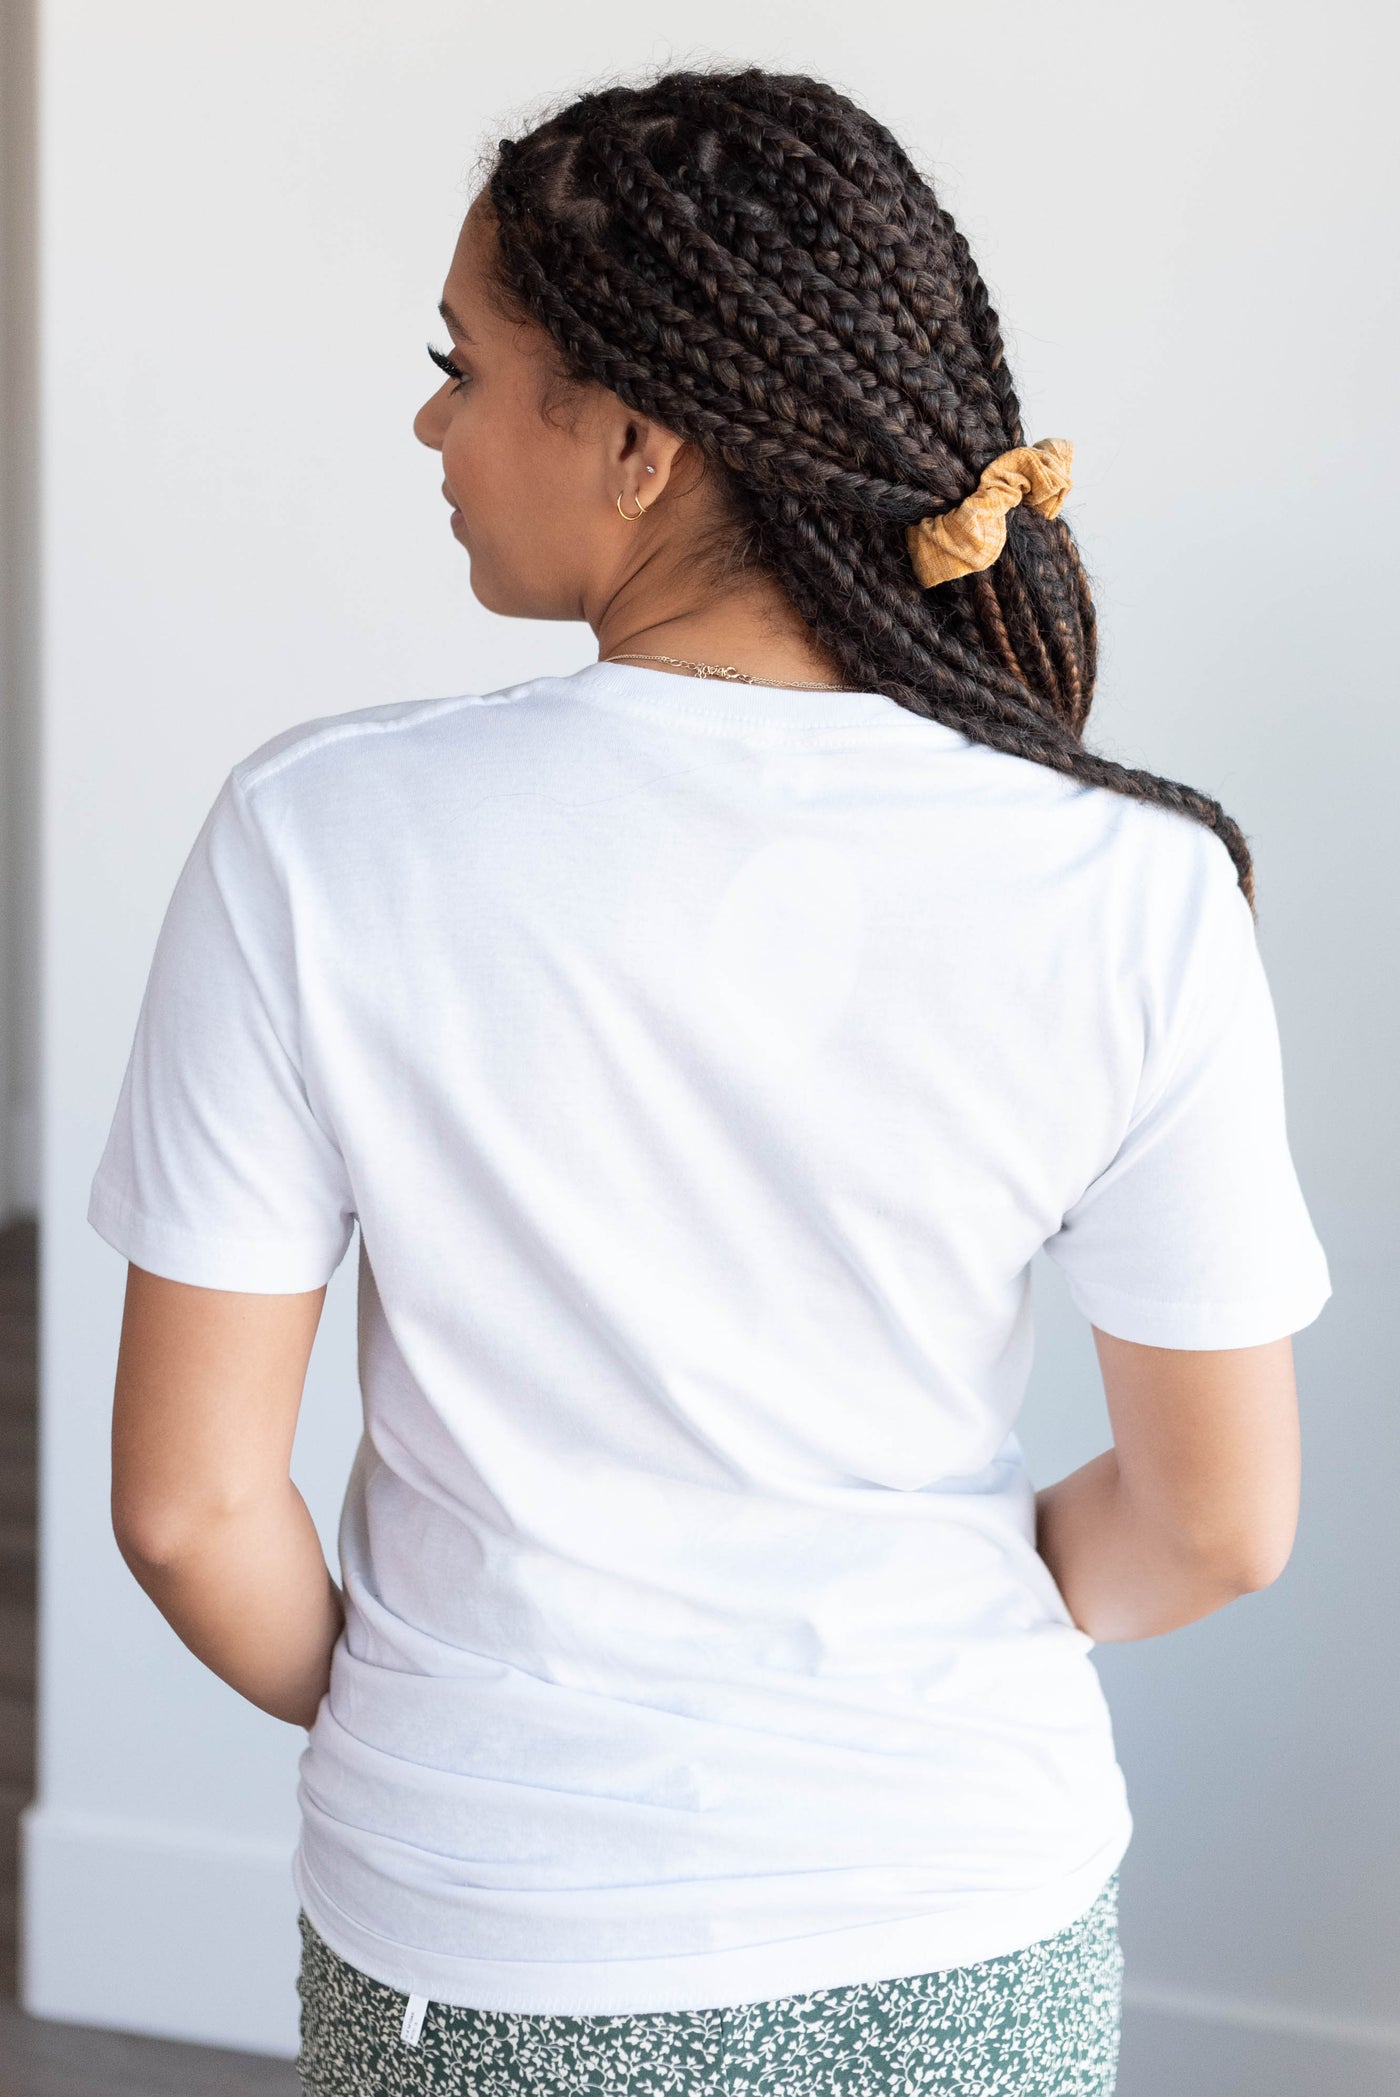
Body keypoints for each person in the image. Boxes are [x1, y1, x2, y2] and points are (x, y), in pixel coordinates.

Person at [88, 65, 1331, 2097]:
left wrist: (436, 1718)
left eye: (464, 364)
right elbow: (1216, 1523)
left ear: (641, 438)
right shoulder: (1132, 879)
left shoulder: (319, 838)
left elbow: (187, 1504)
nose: (430, 421)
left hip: (487, 1929)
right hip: (963, 1908)